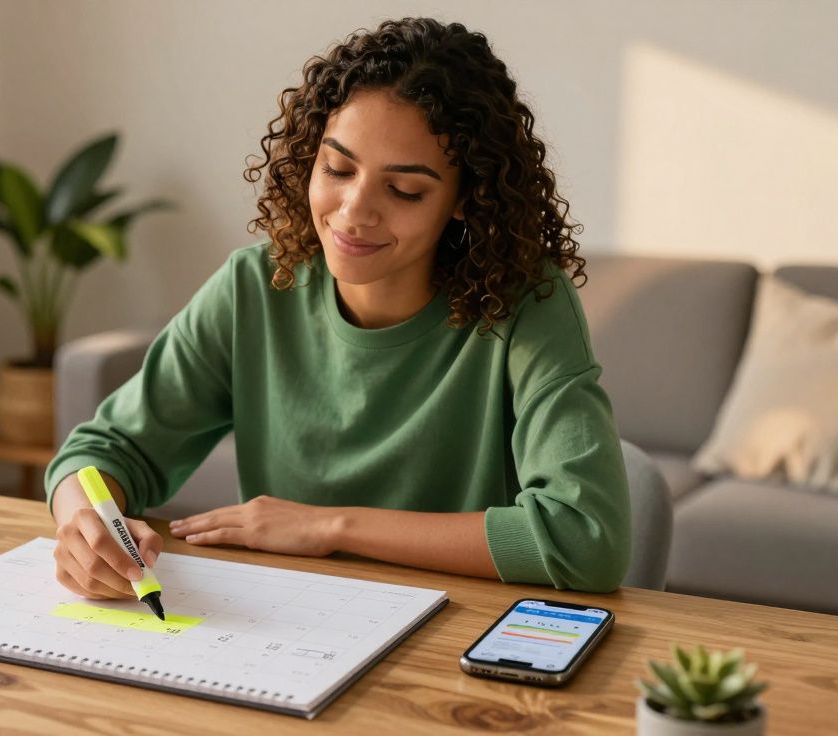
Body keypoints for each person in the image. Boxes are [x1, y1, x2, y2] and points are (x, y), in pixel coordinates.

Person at [44, 17, 631, 601]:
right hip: (288, 623)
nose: (354, 212)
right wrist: (85, 523)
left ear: (464, 199)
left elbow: (584, 539)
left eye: (404, 190)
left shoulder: (525, 304)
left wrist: (327, 526)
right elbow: (101, 453)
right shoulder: (254, 287)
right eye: (338, 168)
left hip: (452, 633)